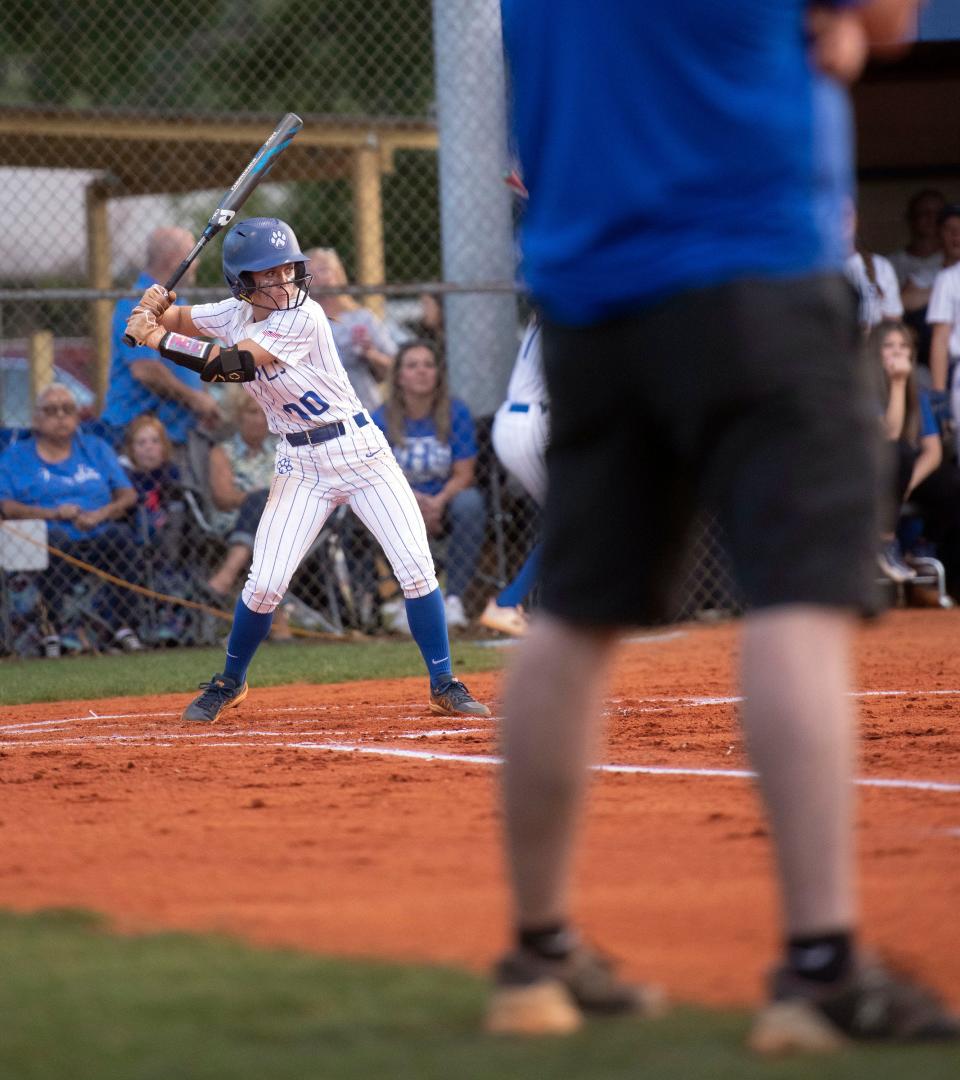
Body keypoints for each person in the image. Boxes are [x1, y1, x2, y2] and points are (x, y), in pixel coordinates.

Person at [493, 0, 957, 1051]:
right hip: (754, 265)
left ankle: (535, 954)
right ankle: (820, 971)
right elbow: (879, 21)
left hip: (588, 292)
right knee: (797, 597)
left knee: (571, 614)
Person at [123, 216, 489, 721]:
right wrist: (155, 310)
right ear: (242, 283)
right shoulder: (233, 311)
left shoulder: (305, 317)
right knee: (265, 582)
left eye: (287, 270)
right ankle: (230, 681)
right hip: (301, 464)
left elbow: (232, 365)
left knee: (414, 566)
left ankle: (444, 682)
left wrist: (155, 337)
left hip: (361, 454)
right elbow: (188, 318)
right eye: (266, 275)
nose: (281, 282)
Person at [0, 384, 144, 657]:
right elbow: (5, 505)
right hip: (44, 538)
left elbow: (127, 495)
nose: (61, 416)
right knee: (57, 539)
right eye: (51, 411)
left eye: (68, 409)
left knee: (121, 538)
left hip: (96, 531)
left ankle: (124, 626)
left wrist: (100, 514)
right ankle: (56, 625)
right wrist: (53, 514)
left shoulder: (95, 448)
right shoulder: (16, 455)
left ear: (78, 417)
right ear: (36, 419)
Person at [372, 340, 487, 631]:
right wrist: (412, 501)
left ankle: (453, 600)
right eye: (412, 365)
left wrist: (437, 503)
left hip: (445, 504)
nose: (422, 371)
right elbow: (374, 474)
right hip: (399, 503)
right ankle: (404, 601)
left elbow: (464, 473)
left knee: (470, 502)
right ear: (398, 376)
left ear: (438, 373)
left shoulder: (455, 412)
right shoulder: (380, 418)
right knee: (373, 505)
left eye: (428, 365)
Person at [101, 227, 222, 450]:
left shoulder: (178, 301)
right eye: (194, 255)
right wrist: (195, 400)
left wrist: (204, 399)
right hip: (137, 435)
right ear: (174, 260)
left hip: (178, 431)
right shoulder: (139, 302)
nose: (197, 263)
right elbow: (145, 370)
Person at [480, 314, 547, 637]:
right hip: (530, 423)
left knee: (575, 520)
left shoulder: (560, 304)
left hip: (520, 422)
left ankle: (518, 603)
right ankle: (508, 603)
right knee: (575, 522)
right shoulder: (567, 312)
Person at [872, 321, 941, 582]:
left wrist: (907, 483)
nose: (897, 353)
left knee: (950, 486)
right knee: (900, 452)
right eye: (888, 346)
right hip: (869, 472)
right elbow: (889, 436)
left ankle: (924, 547)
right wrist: (898, 383)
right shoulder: (865, 388)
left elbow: (933, 452)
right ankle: (885, 545)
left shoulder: (918, 392)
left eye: (903, 346)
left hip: (901, 476)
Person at [305, 247, 397, 412]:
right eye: (310, 273)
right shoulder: (301, 321)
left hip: (362, 405)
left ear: (338, 274)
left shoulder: (361, 318)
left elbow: (395, 365)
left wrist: (370, 353)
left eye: (323, 270)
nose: (318, 277)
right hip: (318, 409)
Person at [887, 188, 947, 291]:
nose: (931, 218)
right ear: (911, 218)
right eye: (924, 212)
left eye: (937, 213)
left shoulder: (954, 260)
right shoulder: (890, 264)